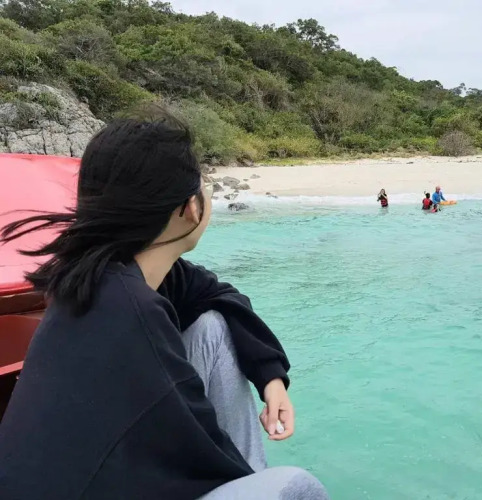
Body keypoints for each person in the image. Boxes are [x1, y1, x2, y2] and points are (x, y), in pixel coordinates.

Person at [0, 107, 328, 500]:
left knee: (213, 326)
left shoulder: (100, 273)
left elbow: (220, 295)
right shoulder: (133, 314)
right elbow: (199, 455)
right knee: (297, 488)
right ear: (190, 209)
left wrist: (270, 379)